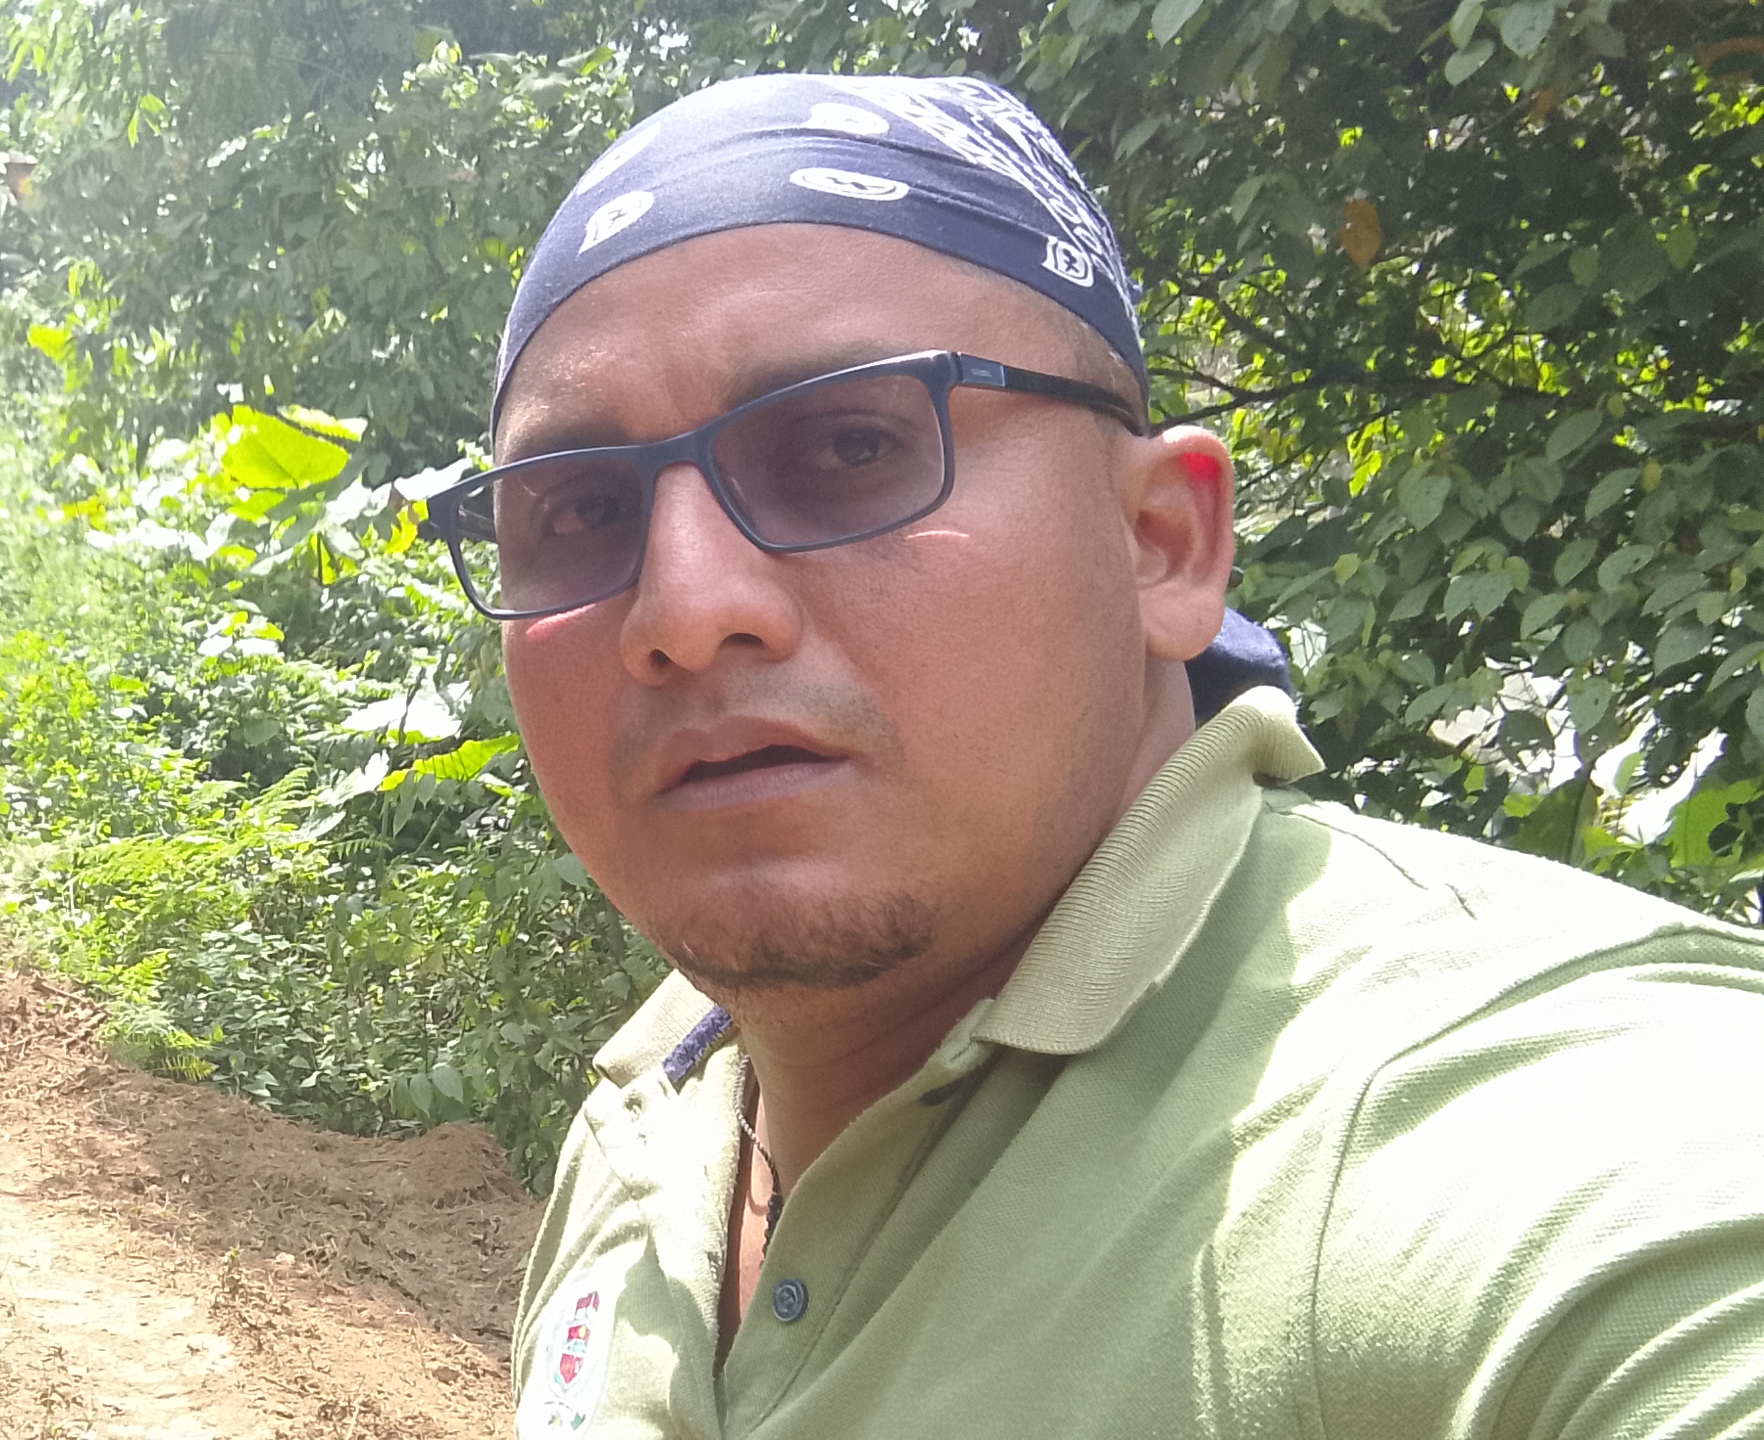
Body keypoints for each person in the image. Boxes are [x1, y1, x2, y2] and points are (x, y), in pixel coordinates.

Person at [425, 72, 1764, 1437]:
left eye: (848, 444)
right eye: (580, 510)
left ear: (1160, 545)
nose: (686, 608)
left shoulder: (1523, 1121)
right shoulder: (655, 1116)